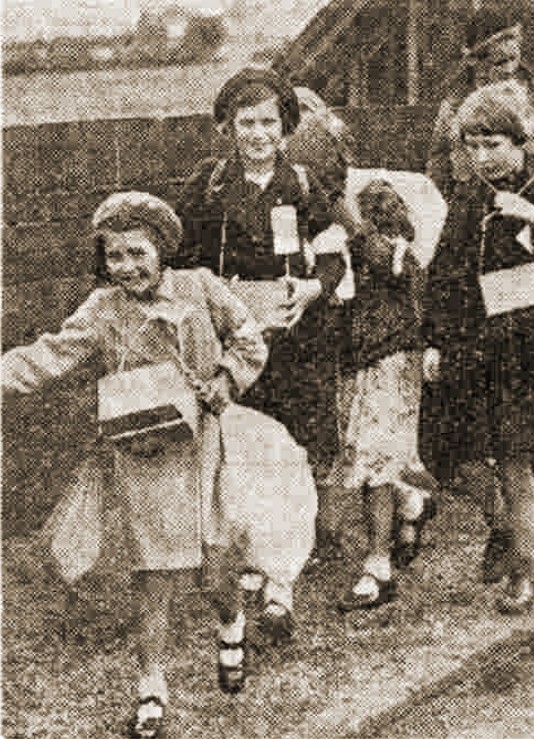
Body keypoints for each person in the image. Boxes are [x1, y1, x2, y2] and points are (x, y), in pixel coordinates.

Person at [1, 193, 269, 738]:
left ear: (161, 251)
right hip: (140, 456)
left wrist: (223, 379)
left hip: (203, 448)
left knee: (213, 567)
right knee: (153, 574)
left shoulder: (200, 288)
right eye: (115, 256)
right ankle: (151, 688)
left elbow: (248, 341)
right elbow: (50, 353)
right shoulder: (103, 310)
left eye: (137, 253)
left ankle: (231, 620)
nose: (127, 267)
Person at [175, 69, 347, 612]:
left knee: (293, 452)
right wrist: (210, 292)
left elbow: (334, 250)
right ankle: (253, 559)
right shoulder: (208, 186)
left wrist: (314, 287)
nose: (257, 134)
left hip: (295, 343)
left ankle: (283, 578)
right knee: (243, 453)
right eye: (246, 123)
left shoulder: (300, 183)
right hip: (236, 350)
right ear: (228, 127)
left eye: (268, 122)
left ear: (286, 127)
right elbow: (181, 259)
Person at [422, 84, 534, 614]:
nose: (482, 158)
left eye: (493, 144)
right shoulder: (467, 198)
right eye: (472, 146)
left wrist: (533, 216)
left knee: (518, 460)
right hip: (480, 347)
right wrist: (434, 339)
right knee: (448, 454)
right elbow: (445, 275)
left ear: (521, 143)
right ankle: (501, 524)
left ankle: (523, 572)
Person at [327, 180, 436, 610]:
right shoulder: (355, 250)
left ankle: (378, 567)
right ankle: (413, 504)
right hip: (360, 361)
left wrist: (352, 230)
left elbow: (391, 272)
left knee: (375, 459)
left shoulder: (390, 253)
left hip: (388, 360)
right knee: (366, 454)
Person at [426, 7, 534, 198]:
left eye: (514, 59)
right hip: (472, 203)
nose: (510, 69)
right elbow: (439, 163)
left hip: (532, 199)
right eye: (500, 62)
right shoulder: (455, 106)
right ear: (476, 63)